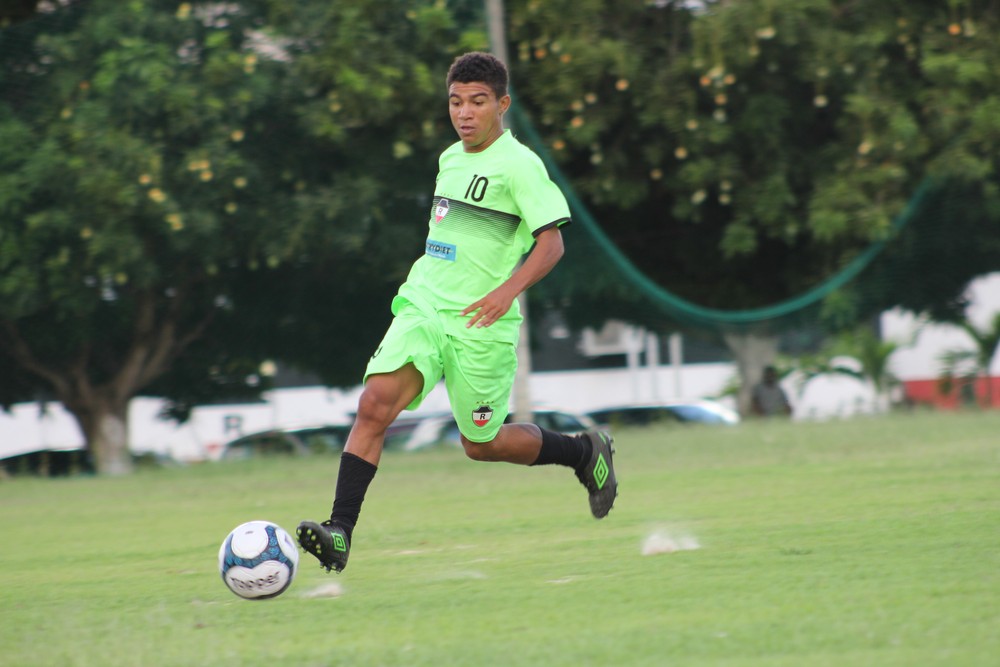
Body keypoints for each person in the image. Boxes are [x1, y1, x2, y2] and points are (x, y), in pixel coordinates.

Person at [296, 52, 618, 574]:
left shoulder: (520, 166)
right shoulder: (449, 159)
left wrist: (506, 292)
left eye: (478, 102)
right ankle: (340, 532)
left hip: (481, 324)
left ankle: (583, 453)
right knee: (375, 403)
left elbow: (552, 244)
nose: (465, 113)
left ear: (502, 105)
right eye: (455, 102)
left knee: (482, 444)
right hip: (425, 304)